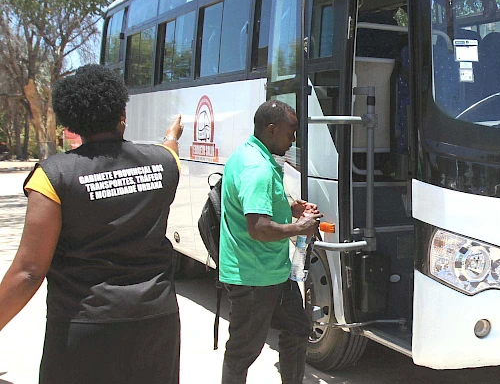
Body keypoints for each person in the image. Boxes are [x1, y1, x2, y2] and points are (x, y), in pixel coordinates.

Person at [0, 64, 184, 384]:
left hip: (84, 328)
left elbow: (30, 272)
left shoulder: (53, 176)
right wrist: (171, 136)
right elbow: (169, 151)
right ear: (122, 113)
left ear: (71, 122)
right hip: (156, 324)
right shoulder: (165, 164)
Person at [219, 100, 322, 384]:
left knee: (299, 328)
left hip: (273, 271)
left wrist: (290, 206)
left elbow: (258, 204)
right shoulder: (258, 168)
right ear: (272, 129)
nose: (294, 139)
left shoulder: (250, 154)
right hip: (254, 276)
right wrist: (299, 227)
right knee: (243, 351)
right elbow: (259, 228)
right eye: (291, 132)